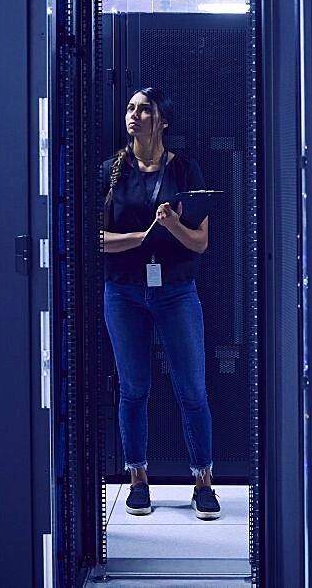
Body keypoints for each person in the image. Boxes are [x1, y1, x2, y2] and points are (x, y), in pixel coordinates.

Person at [100, 87, 221, 520]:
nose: (133, 115)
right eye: (130, 108)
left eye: (143, 109)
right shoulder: (111, 171)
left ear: (162, 120)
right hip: (125, 292)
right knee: (133, 389)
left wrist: (171, 227)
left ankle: (203, 483)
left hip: (175, 291)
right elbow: (98, 240)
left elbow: (201, 242)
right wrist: (144, 236)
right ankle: (138, 480)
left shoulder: (186, 170)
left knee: (192, 388)